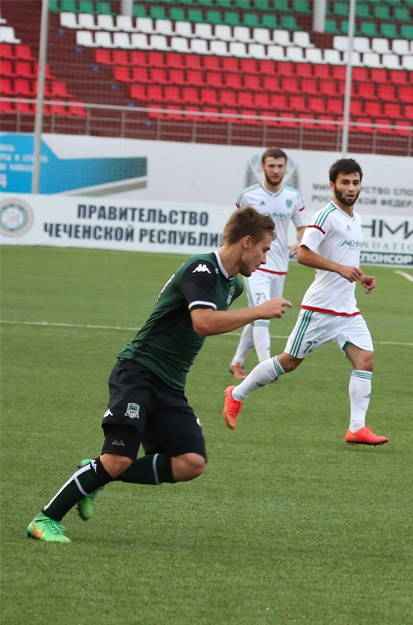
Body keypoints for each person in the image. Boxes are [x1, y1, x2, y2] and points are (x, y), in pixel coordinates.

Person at [27, 207, 292, 543]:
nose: (265, 259)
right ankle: (45, 520)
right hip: (139, 371)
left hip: (170, 384)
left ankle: (94, 475)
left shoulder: (233, 286)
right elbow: (203, 322)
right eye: (264, 249)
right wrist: (258, 312)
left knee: (191, 463)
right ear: (247, 241)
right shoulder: (201, 269)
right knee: (117, 459)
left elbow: (206, 324)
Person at [223, 157, 389, 446]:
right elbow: (303, 253)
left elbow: (343, 259)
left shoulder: (356, 218)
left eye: (355, 182)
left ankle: (357, 427)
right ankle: (236, 394)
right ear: (332, 185)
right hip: (321, 307)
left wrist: (360, 275)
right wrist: (339, 269)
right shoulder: (326, 216)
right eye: (345, 182)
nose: (351, 188)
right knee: (288, 362)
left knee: (365, 360)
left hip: (347, 308)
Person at [228, 147, 307, 380]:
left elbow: (302, 226)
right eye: (271, 165)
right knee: (262, 315)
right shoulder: (248, 196)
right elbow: (234, 226)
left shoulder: (293, 197)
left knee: (259, 314)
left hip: (280, 267)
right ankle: (267, 368)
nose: (275, 170)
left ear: (285, 168)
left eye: (280, 166)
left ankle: (237, 362)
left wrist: (300, 242)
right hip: (255, 266)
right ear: (262, 167)